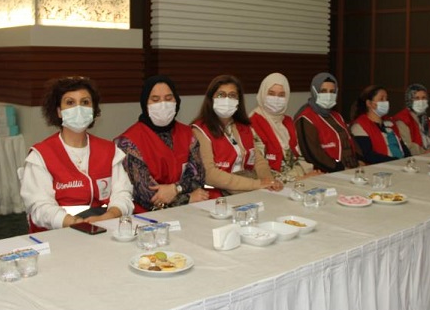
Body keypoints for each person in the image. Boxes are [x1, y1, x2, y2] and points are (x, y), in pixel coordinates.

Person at [20, 76, 133, 232]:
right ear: (59, 112)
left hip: (104, 227)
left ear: (93, 110)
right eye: (70, 102)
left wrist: (109, 216)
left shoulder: (109, 150)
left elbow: (123, 194)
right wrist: (75, 222)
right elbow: (40, 206)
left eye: (85, 102)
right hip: (58, 233)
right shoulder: (41, 155)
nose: (78, 108)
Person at [116, 75, 210, 213]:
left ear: (176, 101)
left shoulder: (188, 133)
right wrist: (187, 198)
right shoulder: (128, 142)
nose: (163, 104)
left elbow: (199, 177)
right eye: (155, 100)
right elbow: (147, 195)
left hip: (189, 212)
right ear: (145, 103)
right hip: (148, 217)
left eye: (168, 98)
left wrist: (175, 189)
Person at [192, 74, 283, 197]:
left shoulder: (243, 127)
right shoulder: (199, 130)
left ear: (238, 101)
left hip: (248, 189)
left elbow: (258, 161)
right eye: (221, 95)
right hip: (217, 194)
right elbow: (210, 175)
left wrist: (269, 181)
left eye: (232, 95)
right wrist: (256, 184)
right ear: (211, 98)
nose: (226, 100)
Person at [249, 73, 317, 181]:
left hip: (294, 179)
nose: (276, 99)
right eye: (271, 94)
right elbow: (259, 169)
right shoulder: (251, 123)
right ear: (262, 93)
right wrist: (298, 178)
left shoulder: (287, 122)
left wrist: (306, 173)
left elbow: (299, 156)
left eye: (281, 95)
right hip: (270, 183)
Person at [294, 72, 359, 172]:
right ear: (314, 91)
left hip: (350, 169)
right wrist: (339, 167)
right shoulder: (305, 118)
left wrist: (359, 160)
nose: (328, 95)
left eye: (332, 91)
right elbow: (312, 154)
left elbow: (351, 141)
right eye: (323, 91)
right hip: (326, 172)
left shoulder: (337, 116)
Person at [351, 85, 411, 164]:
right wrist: (396, 162)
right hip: (383, 166)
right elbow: (368, 155)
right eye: (381, 99)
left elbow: (402, 147)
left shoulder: (389, 123)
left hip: (401, 164)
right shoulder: (359, 126)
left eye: (386, 99)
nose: (386, 102)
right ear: (369, 103)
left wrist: (409, 160)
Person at [392, 83, 430, 155]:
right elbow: (407, 145)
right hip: (413, 157)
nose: (421, 101)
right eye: (417, 98)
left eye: (423, 98)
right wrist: (424, 152)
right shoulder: (402, 119)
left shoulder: (425, 118)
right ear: (410, 100)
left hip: (429, 155)